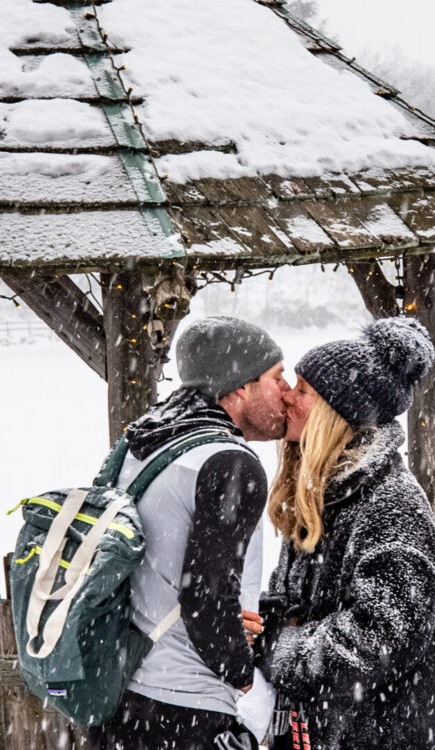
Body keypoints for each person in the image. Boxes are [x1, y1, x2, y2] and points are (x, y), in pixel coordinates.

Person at [255, 317, 435, 750]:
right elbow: (308, 602)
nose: (288, 397)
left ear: (336, 415)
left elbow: (376, 640)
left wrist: (279, 647)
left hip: (395, 735)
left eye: (303, 392)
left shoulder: (389, 506)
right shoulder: (328, 494)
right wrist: (263, 621)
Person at [88, 316, 289, 750]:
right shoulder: (229, 462)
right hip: (184, 708)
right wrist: (249, 686)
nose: (287, 391)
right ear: (238, 388)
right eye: (276, 377)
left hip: (123, 694)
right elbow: (205, 600)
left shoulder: (144, 443)